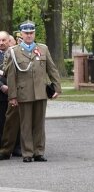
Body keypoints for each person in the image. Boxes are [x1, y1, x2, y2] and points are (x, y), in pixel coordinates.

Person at [1, 21, 61, 162]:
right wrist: (13, 96)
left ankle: (39, 152)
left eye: (31, 33)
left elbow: (51, 69)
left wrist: (57, 87)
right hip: (24, 93)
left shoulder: (43, 49)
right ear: (21, 34)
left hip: (40, 92)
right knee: (25, 124)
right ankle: (27, 153)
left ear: (34, 33)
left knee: (39, 124)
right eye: (26, 33)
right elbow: (10, 76)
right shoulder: (14, 51)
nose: (29, 35)